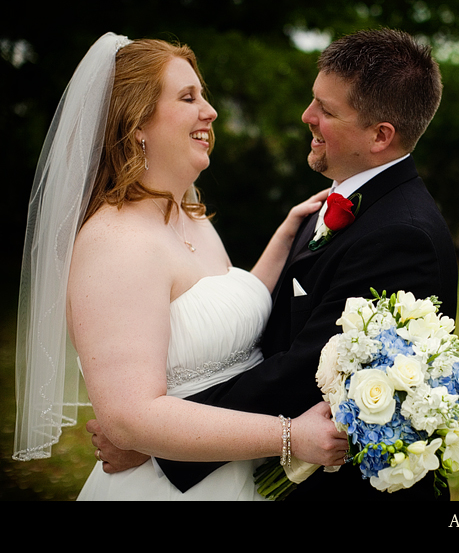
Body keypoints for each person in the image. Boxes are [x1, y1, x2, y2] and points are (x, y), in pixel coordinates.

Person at [98, 27, 458, 501]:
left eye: (326, 111)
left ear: (380, 135)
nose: (306, 116)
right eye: (314, 100)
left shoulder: (401, 234)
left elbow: (303, 368)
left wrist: (157, 442)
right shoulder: (332, 204)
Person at [13, 32, 348, 501]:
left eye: (204, 96)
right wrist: (289, 436)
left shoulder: (188, 215)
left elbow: (221, 315)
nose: (209, 111)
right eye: (188, 97)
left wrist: (285, 236)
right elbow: (130, 418)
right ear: (137, 126)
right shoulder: (114, 241)